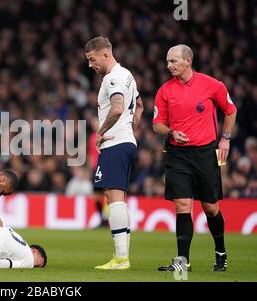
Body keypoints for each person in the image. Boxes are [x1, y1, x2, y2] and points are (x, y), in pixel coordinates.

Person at [153, 44, 237, 272]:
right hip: (177, 154)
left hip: (206, 154)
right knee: (182, 205)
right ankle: (183, 262)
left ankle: (220, 252)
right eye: (167, 61)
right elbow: (157, 124)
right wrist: (170, 132)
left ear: (188, 61)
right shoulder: (164, 91)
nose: (168, 65)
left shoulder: (212, 85)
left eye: (173, 61)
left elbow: (230, 110)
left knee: (210, 208)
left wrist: (225, 139)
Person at [84, 37, 143, 270]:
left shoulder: (112, 78)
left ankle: (121, 258)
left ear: (105, 54)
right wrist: (129, 130)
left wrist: (101, 132)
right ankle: (122, 257)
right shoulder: (128, 75)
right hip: (126, 142)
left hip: (115, 144)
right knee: (115, 199)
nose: (90, 65)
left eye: (92, 59)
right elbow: (139, 107)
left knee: (114, 199)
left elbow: (118, 108)